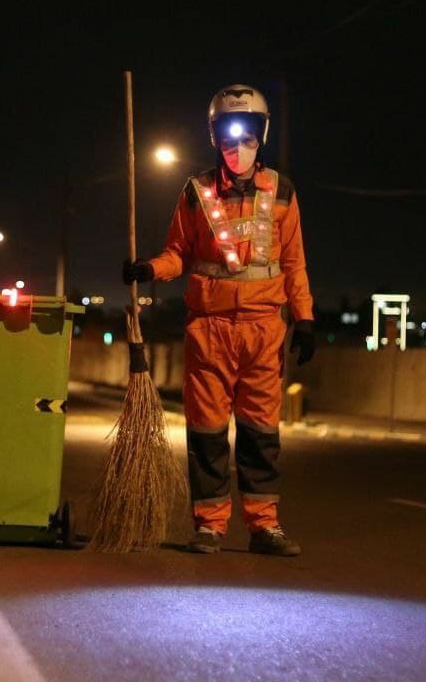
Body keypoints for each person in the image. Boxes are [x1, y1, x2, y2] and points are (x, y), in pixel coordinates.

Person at [122, 84, 315, 556]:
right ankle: (209, 525)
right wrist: (149, 269)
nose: (237, 148)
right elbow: (177, 254)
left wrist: (305, 318)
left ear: (261, 135)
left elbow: (294, 264)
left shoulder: (283, 192)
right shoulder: (195, 192)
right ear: (214, 139)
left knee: (260, 432)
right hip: (208, 330)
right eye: (228, 138)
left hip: (264, 328)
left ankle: (263, 526)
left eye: (246, 136)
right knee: (207, 431)